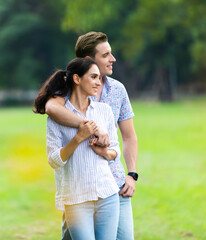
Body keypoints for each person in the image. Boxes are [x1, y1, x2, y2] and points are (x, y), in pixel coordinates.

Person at [45, 32, 138, 240]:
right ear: (88, 60)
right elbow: (51, 108)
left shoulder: (117, 90)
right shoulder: (67, 89)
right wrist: (91, 128)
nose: (112, 59)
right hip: (78, 188)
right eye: (106, 55)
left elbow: (129, 137)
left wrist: (131, 174)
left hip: (114, 186)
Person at [34, 58, 121, 239]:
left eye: (99, 78)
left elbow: (115, 152)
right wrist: (78, 138)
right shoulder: (58, 117)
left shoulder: (104, 110)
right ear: (77, 79)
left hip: (108, 196)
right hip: (76, 200)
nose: (99, 82)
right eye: (94, 77)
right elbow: (53, 161)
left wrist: (104, 152)